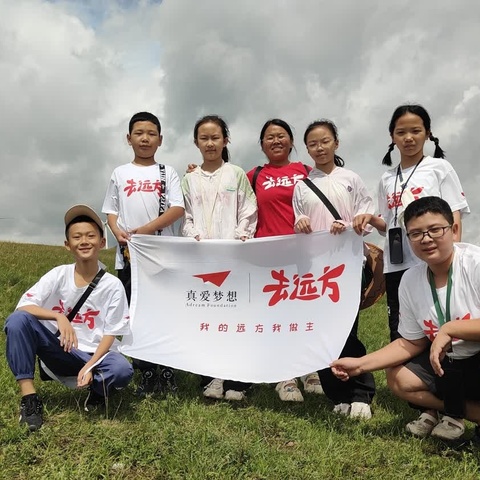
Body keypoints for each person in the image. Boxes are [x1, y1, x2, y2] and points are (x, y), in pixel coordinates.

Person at [332, 196, 480, 442]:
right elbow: (410, 343)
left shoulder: (474, 264)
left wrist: (451, 329)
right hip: (447, 364)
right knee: (399, 378)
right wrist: (359, 365)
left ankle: (452, 412)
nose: (426, 239)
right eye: (416, 233)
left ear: (453, 230)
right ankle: (468, 413)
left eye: (435, 230)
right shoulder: (410, 280)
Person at [4, 205, 133, 431]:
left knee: (122, 370)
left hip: (97, 356)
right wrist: (58, 316)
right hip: (62, 350)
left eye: (91, 236)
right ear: (67, 245)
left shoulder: (112, 285)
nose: (84, 241)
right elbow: (24, 306)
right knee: (17, 321)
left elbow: (111, 333)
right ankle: (30, 400)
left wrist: (90, 365)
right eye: (77, 237)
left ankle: (96, 392)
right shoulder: (58, 275)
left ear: (102, 243)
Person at [354, 104, 469, 342]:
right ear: (392, 137)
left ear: (427, 133)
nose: (408, 138)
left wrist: (452, 257)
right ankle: (408, 374)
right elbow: (389, 223)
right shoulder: (387, 178)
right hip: (397, 265)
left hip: (433, 261)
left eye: (416, 131)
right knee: (401, 329)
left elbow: (454, 216)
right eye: (401, 132)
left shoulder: (439, 168)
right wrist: (372, 220)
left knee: (440, 320)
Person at [293, 119, 376, 419]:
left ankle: (361, 393)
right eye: (313, 143)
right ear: (307, 149)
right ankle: (336, 395)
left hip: (349, 265)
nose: (319, 147)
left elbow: (366, 215)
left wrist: (355, 223)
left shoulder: (351, 178)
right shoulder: (302, 186)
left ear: (336, 143)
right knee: (321, 331)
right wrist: (299, 224)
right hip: (316, 271)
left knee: (346, 329)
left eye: (325, 141)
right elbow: (300, 221)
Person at [102, 111, 185, 397]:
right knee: (135, 315)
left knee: (165, 313)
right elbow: (111, 211)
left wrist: (146, 231)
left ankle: (167, 371)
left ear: (160, 140)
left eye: (151, 133)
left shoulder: (168, 172)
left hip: (162, 256)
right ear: (129, 138)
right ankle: (146, 372)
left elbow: (177, 209)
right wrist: (118, 232)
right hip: (128, 258)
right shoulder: (120, 173)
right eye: (139, 133)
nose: (145, 138)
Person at [182, 115, 257, 401]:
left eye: (216, 137)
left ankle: (238, 380)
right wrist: (194, 235)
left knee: (235, 318)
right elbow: (185, 215)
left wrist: (239, 237)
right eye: (204, 138)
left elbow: (249, 209)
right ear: (196, 143)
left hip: (234, 257)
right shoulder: (189, 178)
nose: (210, 143)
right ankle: (212, 377)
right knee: (209, 319)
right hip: (203, 259)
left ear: (225, 140)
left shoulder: (236, 174)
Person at [246, 119, 321, 402]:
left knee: (305, 313)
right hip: (268, 256)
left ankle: (310, 369)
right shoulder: (253, 175)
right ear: (262, 144)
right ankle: (284, 376)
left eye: (281, 136)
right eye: (269, 137)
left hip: (305, 254)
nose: (275, 141)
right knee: (277, 316)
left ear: (291, 141)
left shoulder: (306, 172)